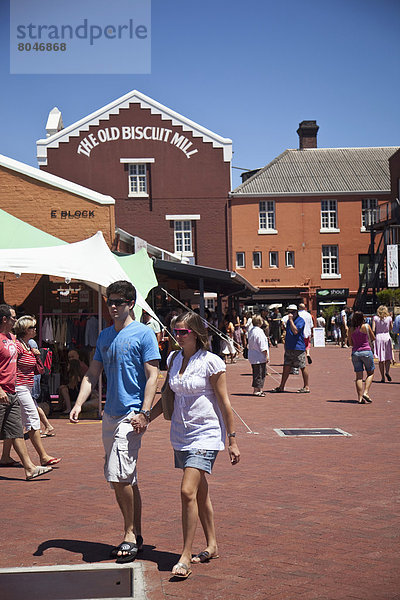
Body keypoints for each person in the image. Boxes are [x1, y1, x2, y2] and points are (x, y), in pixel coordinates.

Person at [69, 281, 160, 564]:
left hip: (131, 415)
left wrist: (144, 412)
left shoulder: (144, 333)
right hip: (110, 415)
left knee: (118, 474)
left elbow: (153, 375)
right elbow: (92, 373)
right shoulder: (105, 335)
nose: (113, 306)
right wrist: (79, 402)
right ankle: (138, 534)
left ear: (131, 303)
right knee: (126, 479)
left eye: (119, 301)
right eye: (110, 301)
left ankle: (129, 534)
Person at [149, 311, 240, 579]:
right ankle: (212, 545)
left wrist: (232, 440)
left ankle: (185, 555)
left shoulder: (211, 363)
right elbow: (167, 398)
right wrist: (146, 418)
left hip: (207, 433)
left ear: (196, 334)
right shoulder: (174, 359)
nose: (177, 336)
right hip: (181, 434)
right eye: (175, 331)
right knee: (200, 492)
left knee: (187, 491)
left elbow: (225, 403)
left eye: (183, 332)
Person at [0, 304, 52, 480]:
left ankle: (29, 468)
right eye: (13, 317)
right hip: (2, 392)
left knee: (15, 431)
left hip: (13, 391)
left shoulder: (12, 339)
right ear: (5, 319)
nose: (16, 320)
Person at [14, 316, 61, 467]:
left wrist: (34, 354)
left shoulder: (27, 345)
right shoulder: (17, 346)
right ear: (24, 330)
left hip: (26, 387)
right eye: (32, 328)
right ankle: (43, 456)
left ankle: (5, 456)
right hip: (19, 387)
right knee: (33, 419)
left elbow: (35, 368)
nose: (35, 330)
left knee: (16, 424)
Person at [270, 304, 310, 393]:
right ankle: (282, 386)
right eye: (289, 312)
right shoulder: (288, 321)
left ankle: (306, 386)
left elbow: (295, 331)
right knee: (286, 366)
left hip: (298, 347)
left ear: (296, 312)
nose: (290, 314)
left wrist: (291, 320)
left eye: (291, 312)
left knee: (302, 366)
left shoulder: (300, 321)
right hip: (289, 347)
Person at [348, 311, 375, 403]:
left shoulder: (351, 329)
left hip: (355, 352)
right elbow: (373, 338)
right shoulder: (366, 327)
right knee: (370, 373)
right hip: (366, 351)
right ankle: (366, 392)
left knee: (359, 376)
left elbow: (350, 343)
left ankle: (359, 398)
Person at [247, 315, 270, 396]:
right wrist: (266, 355)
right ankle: (257, 390)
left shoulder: (251, 330)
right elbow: (262, 345)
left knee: (256, 372)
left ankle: (257, 389)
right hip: (259, 356)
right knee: (260, 373)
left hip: (253, 355)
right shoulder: (259, 331)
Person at [372, 305, 393, 382]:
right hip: (387, 336)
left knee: (381, 359)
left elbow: (373, 329)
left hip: (379, 337)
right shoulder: (389, 318)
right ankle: (387, 372)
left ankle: (382, 377)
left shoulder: (375, 318)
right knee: (388, 357)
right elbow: (391, 328)